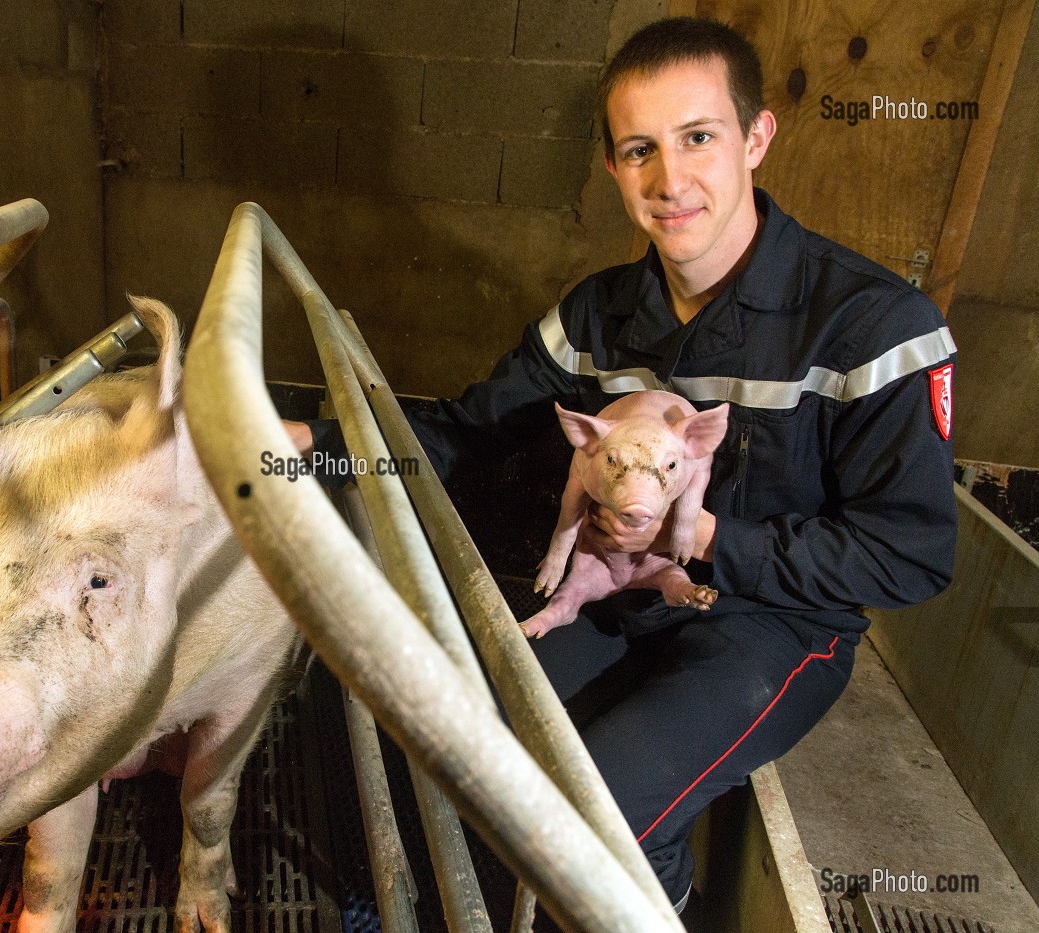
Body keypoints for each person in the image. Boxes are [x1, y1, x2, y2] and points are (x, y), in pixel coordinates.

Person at [286, 16, 957, 914]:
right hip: (609, 592)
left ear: (757, 138)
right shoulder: (597, 319)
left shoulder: (876, 328)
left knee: (603, 811)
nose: (670, 180)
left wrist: (707, 535)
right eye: (639, 149)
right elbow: (468, 434)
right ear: (611, 166)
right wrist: (301, 447)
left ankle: (657, 901)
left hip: (770, 626)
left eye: (699, 138)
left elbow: (908, 555)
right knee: (447, 736)